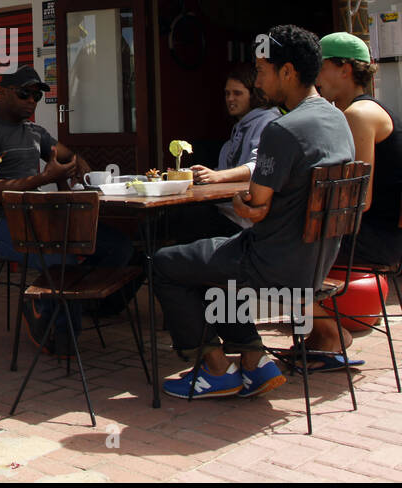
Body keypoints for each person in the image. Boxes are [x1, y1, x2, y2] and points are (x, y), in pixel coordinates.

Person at [150, 25, 355, 399]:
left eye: (262, 70)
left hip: (272, 263)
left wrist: (249, 202)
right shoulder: (337, 118)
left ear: (287, 72)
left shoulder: (283, 128)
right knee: (209, 259)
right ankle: (253, 359)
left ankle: (214, 367)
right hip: (317, 261)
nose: (258, 78)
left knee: (165, 263)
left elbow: (255, 206)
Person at [0, 65, 134, 354]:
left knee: (119, 247)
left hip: (40, 218)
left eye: (36, 96)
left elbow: (66, 156)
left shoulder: (35, 132)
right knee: (61, 258)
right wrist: (44, 178)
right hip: (1, 224)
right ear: (3, 93)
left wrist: (77, 164)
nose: (31, 100)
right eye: (24, 93)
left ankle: (61, 302)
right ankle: (61, 335)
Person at [305, 31, 402, 362]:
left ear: (344, 70)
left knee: (278, 247)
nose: (315, 78)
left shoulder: (359, 115)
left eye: (320, 67)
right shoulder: (362, 111)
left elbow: (358, 200)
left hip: (377, 240)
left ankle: (329, 334)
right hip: (386, 236)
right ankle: (321, 330)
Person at [168, 66, 280, 243]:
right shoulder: (239, 128)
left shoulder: (267, 121)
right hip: (225, 211)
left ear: (254, 95)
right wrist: (201, 176)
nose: (230, 99)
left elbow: (257, 166)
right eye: (227, 93)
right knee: (174, 213)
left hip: (244, 222)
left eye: (237, 93)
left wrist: (216, 176)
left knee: (188, 216)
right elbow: (222, 172)